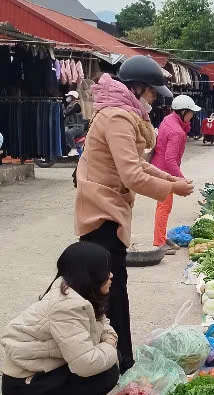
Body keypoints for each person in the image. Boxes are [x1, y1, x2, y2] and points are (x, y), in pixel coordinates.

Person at [75, 56, 194, 371]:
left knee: (108, 287)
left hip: (106, 209)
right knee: (111, 289)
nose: (154, 99)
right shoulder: (117, 117)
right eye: (152, 92)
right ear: (138, 87)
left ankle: (112, 355)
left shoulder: (119, 112)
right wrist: (171, 188)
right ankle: (119, 361)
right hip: (101, 212)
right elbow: (132, 175)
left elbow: (137, 163)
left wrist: (170, 180)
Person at [0, 242, 120, 395]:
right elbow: (86, 364)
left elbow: (101, 323)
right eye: (105, 271)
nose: (111, 275)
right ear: (90, 274)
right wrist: (110, 345)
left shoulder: (76, 291)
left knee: (107, 358)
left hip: (36, 378)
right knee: (107, 373)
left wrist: (109, 340)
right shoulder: (68, 306)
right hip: (23, 393)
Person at [152, 95, 202, 253]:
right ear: (183, 112)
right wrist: (182, 180)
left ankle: (161, 237)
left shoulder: (168, 119)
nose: (192, 116)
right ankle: (160, 243)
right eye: (191, 113)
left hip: (158, 167)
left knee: (162, 206)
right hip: (164, 172)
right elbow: (170, 160)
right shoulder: (176, 132)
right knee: (164, 207)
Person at [62, 91, 85, 156]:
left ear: (73, 97)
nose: (68, 97)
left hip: (78, 126)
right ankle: (66, 149)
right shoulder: (69, 105)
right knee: (63, 131)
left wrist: (65, 115)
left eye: (69, 96)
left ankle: (74, 149)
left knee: (69, 133)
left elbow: (71, 112)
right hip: (70, 125)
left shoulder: (77, 105)